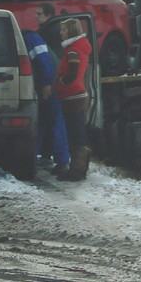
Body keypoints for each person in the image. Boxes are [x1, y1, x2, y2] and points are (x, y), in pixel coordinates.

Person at [22, 26, 70, 175]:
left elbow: (44, 60)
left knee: (54, 120)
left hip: (48, 86)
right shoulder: (27, 37)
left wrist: (47, 83)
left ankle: (62, 162)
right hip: (41, 86)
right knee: (44, 121)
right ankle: (41, 156)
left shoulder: (30, 38)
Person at [55, 18, 92, 181]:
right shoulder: (80, 48)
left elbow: (72, 74)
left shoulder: (72, 51)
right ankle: (79, 167)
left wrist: (61, 81)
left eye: (63, 30)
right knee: (78, 133)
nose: (61, 33)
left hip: (72, 96)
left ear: (70, 31)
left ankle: (76, 171)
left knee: (74, 134)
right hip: (78, 95)